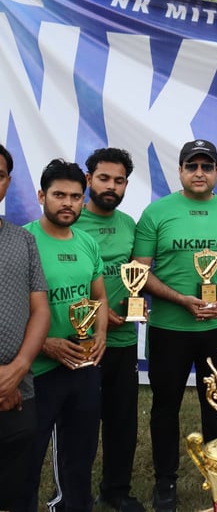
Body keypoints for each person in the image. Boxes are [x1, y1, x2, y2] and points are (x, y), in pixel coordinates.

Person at [133, 139, 217, 512]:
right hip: (169, 328)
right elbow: (139, 272)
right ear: (181, 171)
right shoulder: (157, 212)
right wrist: (180, 299)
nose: (199, 173)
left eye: (206, 166)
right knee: (165, 406)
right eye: (192, 166)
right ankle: (165, 481)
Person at [19, 159, 109, 512]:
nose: (68, 203)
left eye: (75, 196)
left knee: (80, 454)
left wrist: (100, 334)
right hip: (35, 371)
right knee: (27, 459)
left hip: (83, 367)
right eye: (59, 195)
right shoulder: (21, 242)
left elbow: (98, 297)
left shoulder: (87, 243)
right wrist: (43, 344)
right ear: (42, 196)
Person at [77, 148, 145, 512]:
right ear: (89, 179)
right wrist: (99, 314)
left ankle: (116, 489)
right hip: (81, 340)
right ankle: (76, 492)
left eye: (119, 181)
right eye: (104, 178)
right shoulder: (71, 221)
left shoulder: (129, 224)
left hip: (123, 339)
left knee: (122, 420)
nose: (111, 186)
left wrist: (137, 303)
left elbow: (137, 274)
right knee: (81, 421)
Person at [0, 145, 50, 511]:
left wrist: (16, 371)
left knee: (17, 490)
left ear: (7, 183)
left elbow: (40, 311)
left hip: (20, 389)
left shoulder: (24, 241)